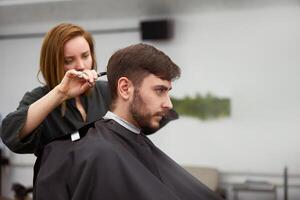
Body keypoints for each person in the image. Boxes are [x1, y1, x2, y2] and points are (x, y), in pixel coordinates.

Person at [34, 44, 223, 200]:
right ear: (125, 88)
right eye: (159, 90)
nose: (168, 103)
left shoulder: (134, 142)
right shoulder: (86, 152)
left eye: (168, 91)